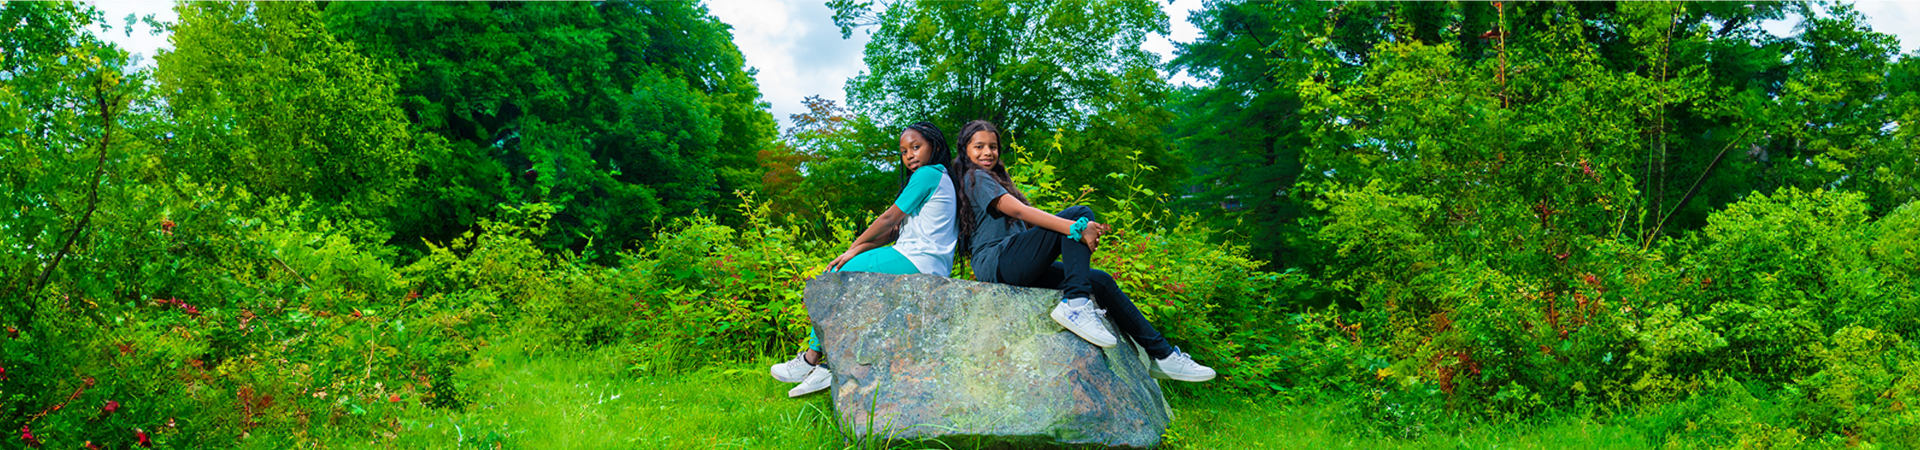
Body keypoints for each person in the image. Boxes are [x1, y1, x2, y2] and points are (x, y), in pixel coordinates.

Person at [950, 120, 1214, 382]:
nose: (987, 152)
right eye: (979, 146)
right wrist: (1078, 226)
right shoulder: (975, 176)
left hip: (1012, 264)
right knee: (1080, 214)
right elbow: (1019, 211)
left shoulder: (994, 179)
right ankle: (1075, 304)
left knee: (1099, 281)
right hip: (998, 261)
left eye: (993, 147)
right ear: (965, 150)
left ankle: (1163, 356)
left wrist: (1077, 231)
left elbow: (1032, 226)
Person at [770, 122, 961, 397]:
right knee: (855, 288)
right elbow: (893, 233)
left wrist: (851, 249)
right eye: (904, 151)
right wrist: (858, 251)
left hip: (917, 260)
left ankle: (812, 359)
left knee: (839, 275)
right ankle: (827, 366)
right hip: (922, 260)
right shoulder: (938, 177)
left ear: (937, 147)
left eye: (916, 147)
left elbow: (888, 219)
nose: (909, 156)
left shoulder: (929, 174)